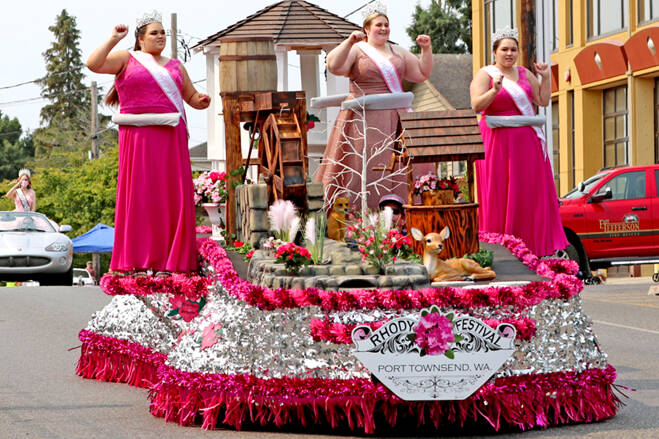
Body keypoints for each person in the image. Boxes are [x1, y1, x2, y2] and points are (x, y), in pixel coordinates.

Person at [87, 11, 210, 276]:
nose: (160, 37)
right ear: (140, 39)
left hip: (170, 136)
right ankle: (137, 261)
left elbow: (190, 96)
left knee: (170, 197)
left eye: (163, 32)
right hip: (138, 137)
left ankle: (171, 262)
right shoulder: (126, 58)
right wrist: (113, 39)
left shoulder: (176, 66)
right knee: (141, 196)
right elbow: (93, 64)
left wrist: (201, 101)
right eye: (154, 33)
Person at [315, 4, 433, 211]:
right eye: (378, 25)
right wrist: (350, 41)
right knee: (365, 164)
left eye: (386, 25)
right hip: (364, 119)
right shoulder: (357, 50)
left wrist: (426, 49)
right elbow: (333, 65)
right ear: (366, 29)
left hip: (397, 117)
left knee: (398, 163)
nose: (384, 28)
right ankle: (359, 213)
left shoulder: (397, 50)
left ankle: (405, 211)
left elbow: (421, 74)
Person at [470, 28, 568, 257]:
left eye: (513, 49)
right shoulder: (485, 74)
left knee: (527, 193)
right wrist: (494, 90)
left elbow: (542, 100)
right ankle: (498, 248)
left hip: (526, 143)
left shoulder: (524, 73)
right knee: (499, 192)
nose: (509, 53)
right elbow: (476, 106)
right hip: (497, 141)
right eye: (504, 49)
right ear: (495, 52)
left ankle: (532, 249)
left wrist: (545, 77)